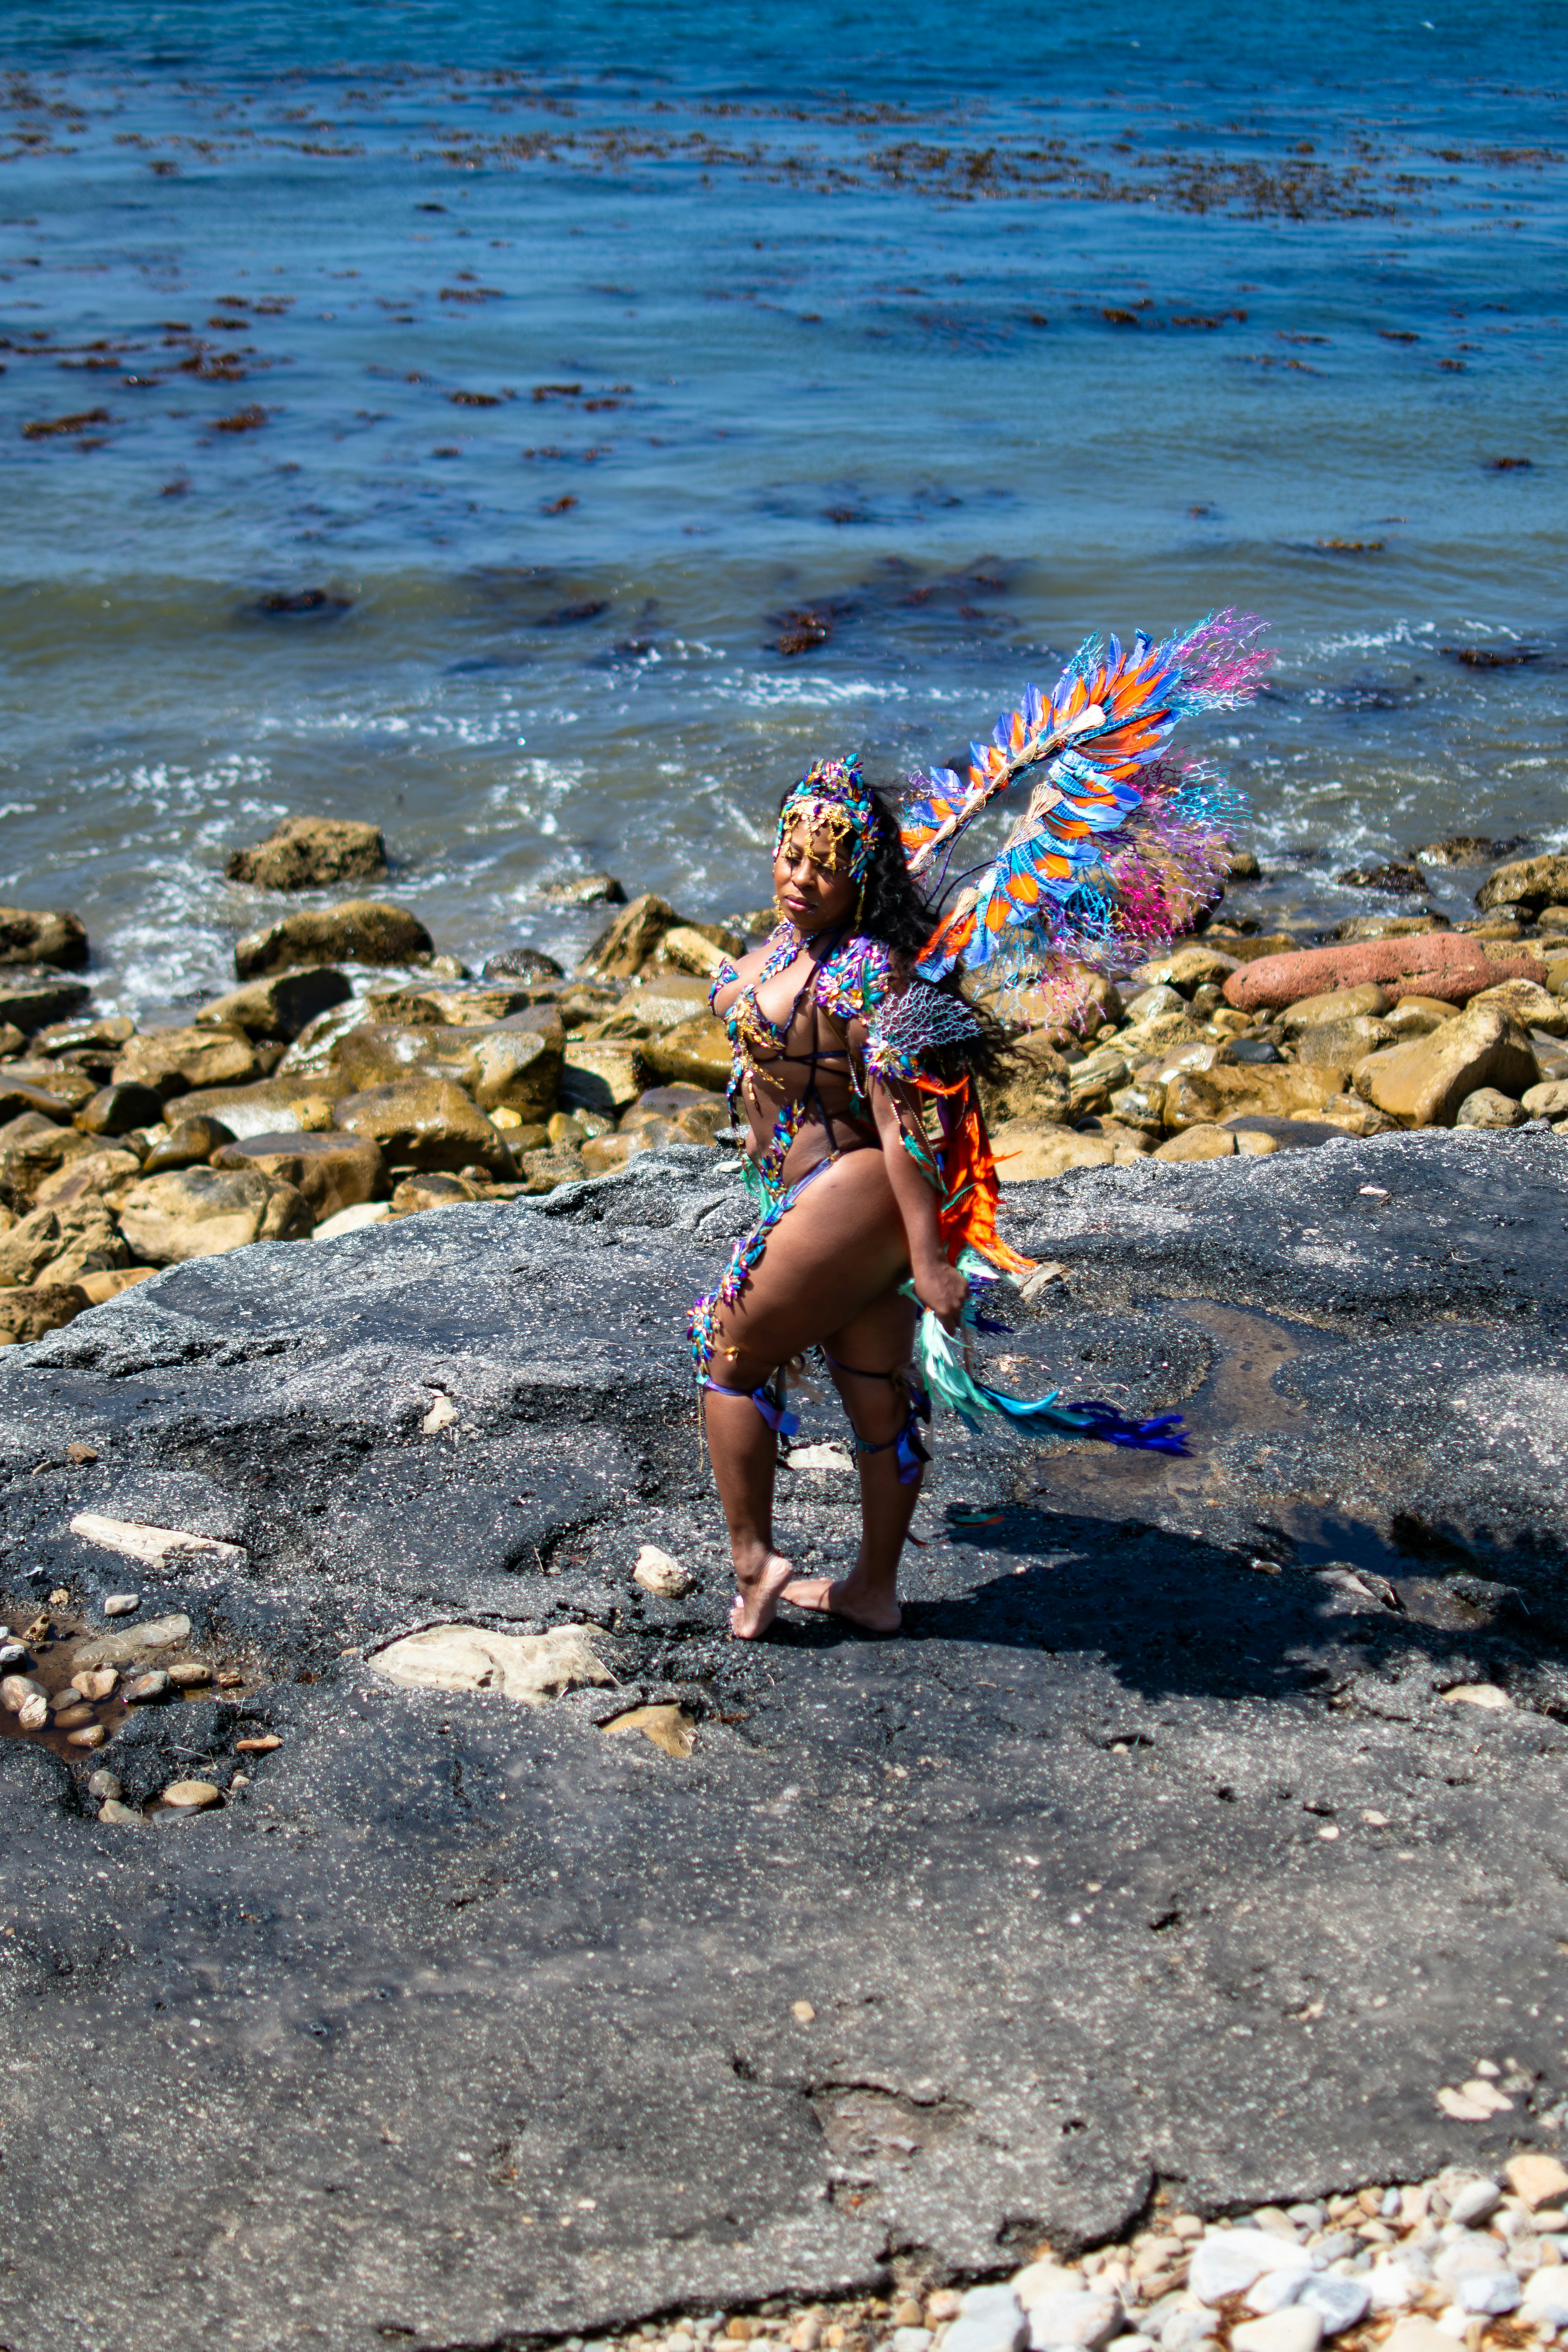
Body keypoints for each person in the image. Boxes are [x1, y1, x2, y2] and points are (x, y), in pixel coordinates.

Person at [688, 615, 1272, 1640]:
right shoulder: (789, 941)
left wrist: (933, 1258)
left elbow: (900, 1116)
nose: (798, 876)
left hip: (856, 1189)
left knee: (727, 1345)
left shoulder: (867, 967)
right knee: (871, 1388)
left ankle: (752, 1563)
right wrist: (735, 986)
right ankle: (873, 1591)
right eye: (789, 854)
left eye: (824, 866)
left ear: (860, 878)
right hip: (808, 1190)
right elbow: (768, 1023)